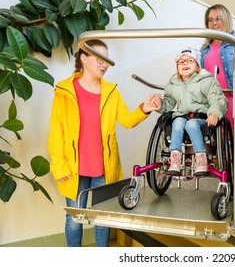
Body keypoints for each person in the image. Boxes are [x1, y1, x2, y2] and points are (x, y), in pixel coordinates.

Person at [48, 39, 161, 247]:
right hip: (73, 169)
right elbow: (56, 132)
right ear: (83, 58)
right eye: (100, 59)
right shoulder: (64, 91)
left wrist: (144, 108)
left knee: (103, 219)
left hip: (103, 168)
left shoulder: (111, 91)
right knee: (74, 220)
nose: (105, 64)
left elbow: (126, 120)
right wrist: (59, 165)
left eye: (107, 60)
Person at [158, 48, 228, 176]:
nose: (185, 63)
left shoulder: (207, 81)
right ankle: (175, 161)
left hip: (201, 118)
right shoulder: (172, 85)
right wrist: (158, 105)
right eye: (181, 62)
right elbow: (168, 105)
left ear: (197, 67)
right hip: (182, 117)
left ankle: (201, 160)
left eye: (190, 61)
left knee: (191, 124)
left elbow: (218, 100)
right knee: (177, 122)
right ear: (177, 67)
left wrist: (214, 113)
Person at [200, 4, 235, 129]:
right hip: (212, 99)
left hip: (232, 95)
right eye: (210, 20)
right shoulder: (204, 49)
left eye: (218, 19)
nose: (214, 23)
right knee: (213, 137)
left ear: (226, 19)